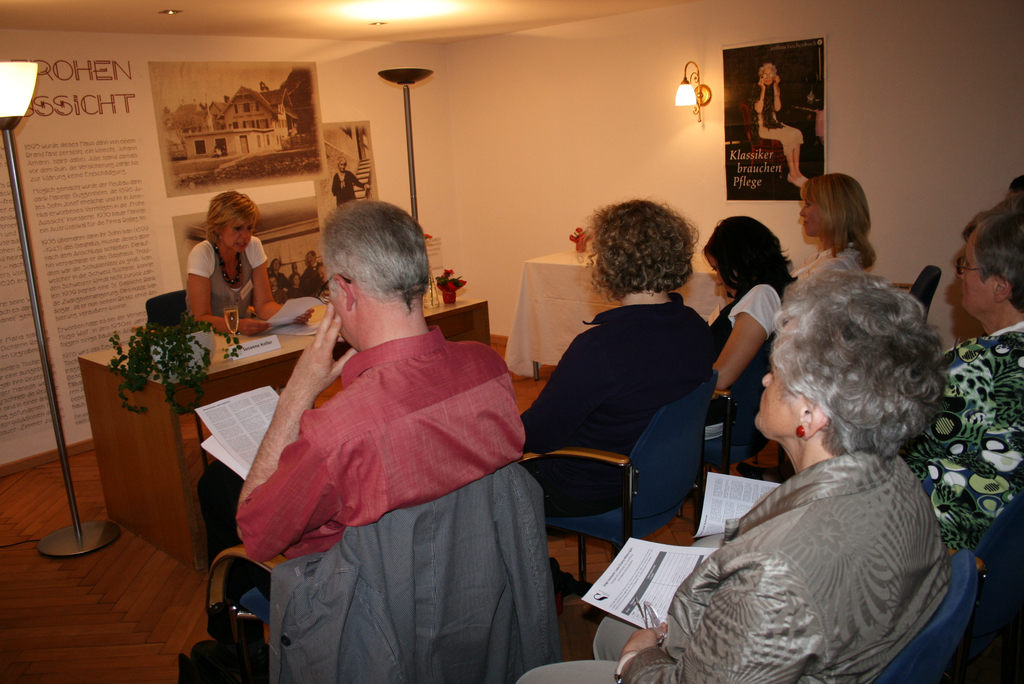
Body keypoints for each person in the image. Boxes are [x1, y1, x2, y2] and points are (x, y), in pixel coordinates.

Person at [519, 271, 951, 684]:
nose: (765, 377)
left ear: (810, 415)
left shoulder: (774, 573)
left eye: (779, 372)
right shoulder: (901, 481)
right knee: (615, 628)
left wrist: (639, 659)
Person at [519, 199, 714, 517]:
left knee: (481, 486)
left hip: (592, 487)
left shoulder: (600, 347)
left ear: (610, 263)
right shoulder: (696, 327)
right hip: (662, 478)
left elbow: (538, 436)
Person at [903, 193, 1024, 550]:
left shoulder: (976, 364)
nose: (959, 277)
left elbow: (896, 434)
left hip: (946, 540)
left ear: (1001, 286)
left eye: (965, 266)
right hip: (1005, 545)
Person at [186, 190, 310, 335]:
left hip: (242, 335)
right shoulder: (202, 253)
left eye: (249, 228)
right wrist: (237, 325)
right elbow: (200, 319)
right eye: (237, 228)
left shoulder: (253, 246)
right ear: (218, 227)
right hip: (206, 338)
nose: (245, 236)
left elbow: (264, 305)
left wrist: (292, 314)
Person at [703, 216, 794, 390]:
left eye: (717, 268)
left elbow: (721, 377)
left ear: (737, 262)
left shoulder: (761, 296)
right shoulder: (777, 287)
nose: (719, 281)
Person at [791, 172, 876, 278]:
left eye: (808, 204)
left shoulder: (836, 268)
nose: (802, 213)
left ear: (831, 211)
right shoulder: (820, 256)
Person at [750, 62, 808, 188]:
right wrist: (763, 90)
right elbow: (759, 110)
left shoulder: (774, 89)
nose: (768, 77)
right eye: (765, 75)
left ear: (774, 76)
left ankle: (797, 172)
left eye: (770, 74)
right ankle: (792, 174)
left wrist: (776, 87)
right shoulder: (756, 90)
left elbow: (777, 108)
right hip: (763, 128)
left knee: (796, 133)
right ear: (761, 77)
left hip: (773, 124)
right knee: (788, 136)